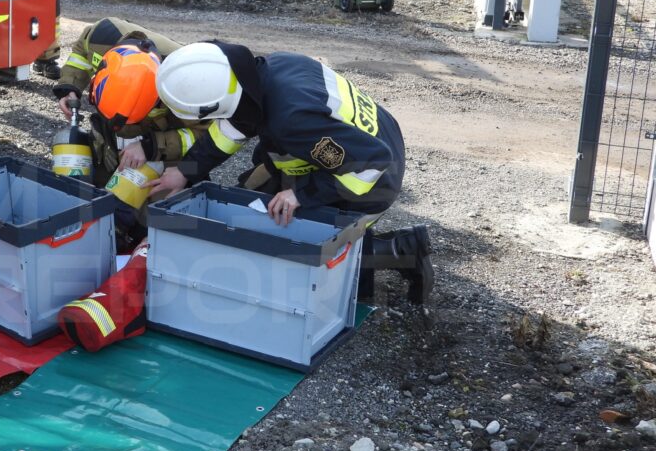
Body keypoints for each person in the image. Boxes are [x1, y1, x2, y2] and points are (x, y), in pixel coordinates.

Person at [148, 41, 433, 304]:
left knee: (306, 250)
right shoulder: (264, 73)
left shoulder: (291, 119)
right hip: (368, 140)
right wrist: (185, 171)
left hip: (372, 178)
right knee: (259, 209)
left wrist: (301, 194)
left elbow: (371, 163)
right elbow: (234, 127)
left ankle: (402, 250)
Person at [53, 18, 208, 244]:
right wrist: (71, 86)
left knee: (152, 203)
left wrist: (152, 146)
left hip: (162, 146)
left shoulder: (188, 82)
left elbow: (207, 135)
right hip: (119, 139)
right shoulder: (102, 36)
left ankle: (137, 233)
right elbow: (80, 53)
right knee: (92, 183)